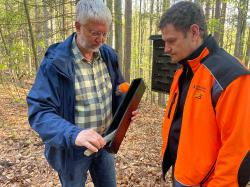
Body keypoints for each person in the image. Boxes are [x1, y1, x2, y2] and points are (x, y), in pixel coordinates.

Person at [27, 0, 137, 186]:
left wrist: (125, 107)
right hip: (73, 150)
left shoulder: (108, 55)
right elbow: (40, 112)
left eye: (104, 33)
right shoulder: (55, 63)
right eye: (95, 33)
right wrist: (74, 134)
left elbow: (118, 88)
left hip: (105, 142)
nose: (100, 39)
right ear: (78, 26)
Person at [159, 1, 250, 187]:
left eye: (171, 41)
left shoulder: (230, 75)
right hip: (181, 173)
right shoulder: (184, 69)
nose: (166, 49)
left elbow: (239, 150)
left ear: (194, 32)